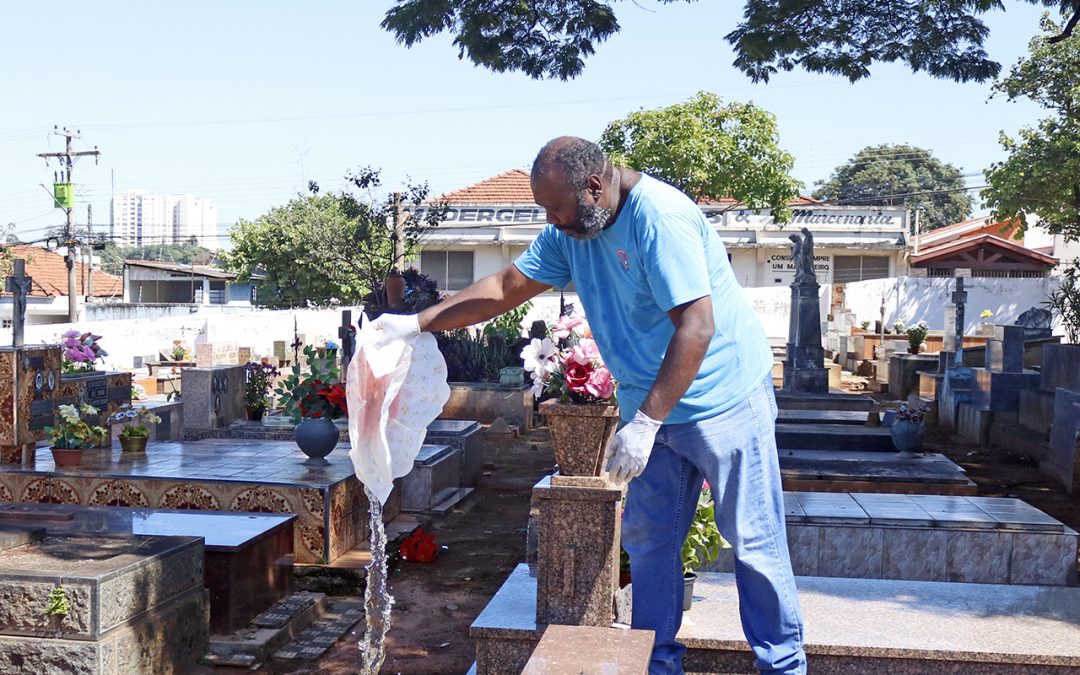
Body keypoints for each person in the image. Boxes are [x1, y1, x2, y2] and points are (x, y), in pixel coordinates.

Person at [369, 136, 806, 674]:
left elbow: (697, 325)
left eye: (556, 208)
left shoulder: (659, 219)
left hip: (723, 398)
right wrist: (416, 323)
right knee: (650, 544)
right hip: (652, 403)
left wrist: (646, 422)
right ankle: (658, 663)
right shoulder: (573, 231)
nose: (552, 222)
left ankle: (783, 666)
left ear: (595, 187)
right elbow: (506, 285)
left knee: (753, 539)